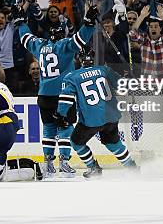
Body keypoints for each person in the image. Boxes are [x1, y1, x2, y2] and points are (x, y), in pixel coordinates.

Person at [15, 4, 98, 176]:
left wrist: (21, 22)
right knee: (65, 128)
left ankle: (48, 165)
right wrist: (89, 22)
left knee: (49, 128)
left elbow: (25, 38)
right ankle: (65, 164)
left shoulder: (40, 45)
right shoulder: (65, 46)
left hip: (44, 95)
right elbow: (81, 38)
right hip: (62, 96)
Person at [57, 47, 138, 178]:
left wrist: (61, 114)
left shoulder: (72, 77)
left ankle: (93, 168)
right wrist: (129, 78)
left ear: (79, 58)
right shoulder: (104, 70)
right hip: (111, 115)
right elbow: (122, 86)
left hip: (91, 119)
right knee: (113, 143)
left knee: (76, 142)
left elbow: (66, 98)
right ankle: (131, 167)